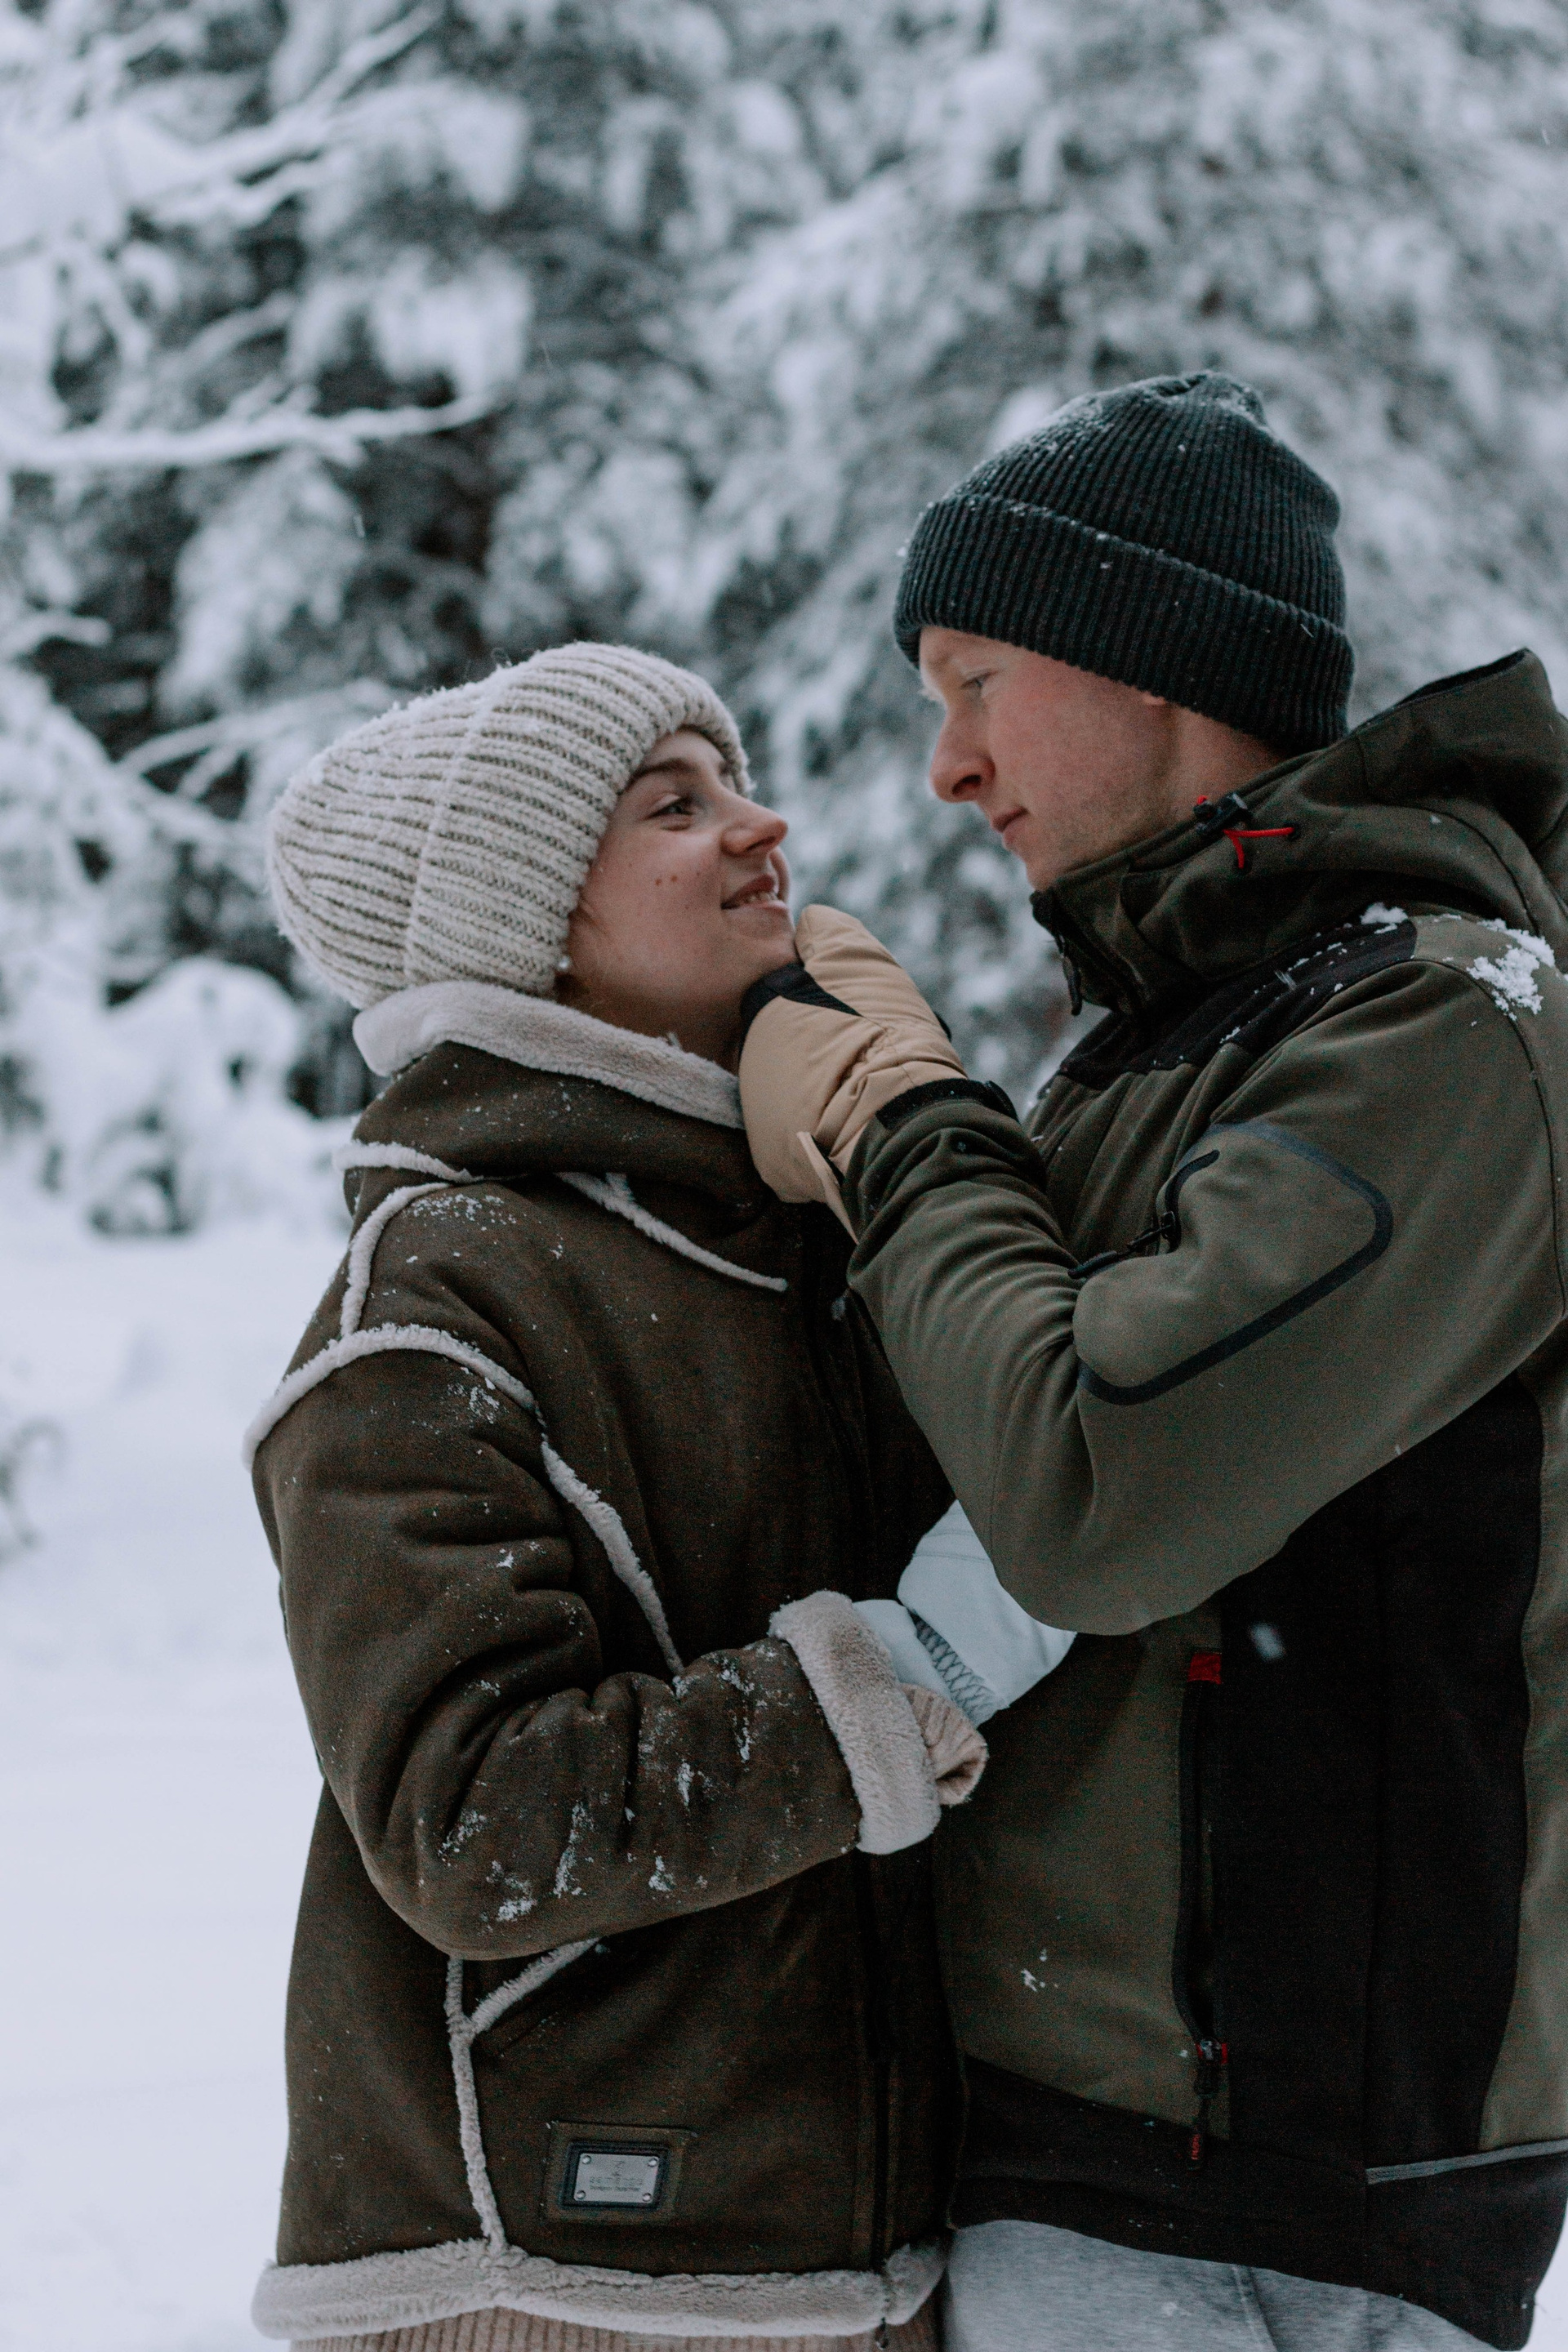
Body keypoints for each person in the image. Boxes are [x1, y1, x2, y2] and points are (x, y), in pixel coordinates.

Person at [735, 373, 1568, 2352]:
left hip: (1271, 2193)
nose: (949, 765)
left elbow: (1094, 1490)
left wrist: (906, 1126)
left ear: (1153, 661)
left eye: (978, 683)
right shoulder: (1182, 1043)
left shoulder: (1432, 1033)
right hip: (1109, 2142)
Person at [243, 641, 993, 2352]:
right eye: (674, 805)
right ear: (530, 925)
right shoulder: (440, 1292)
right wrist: (867, 1706)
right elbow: (473, 1816)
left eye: (735, 785)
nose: (760, 827)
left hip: (852, 2266)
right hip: (547, 2285)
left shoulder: (800, 1239)